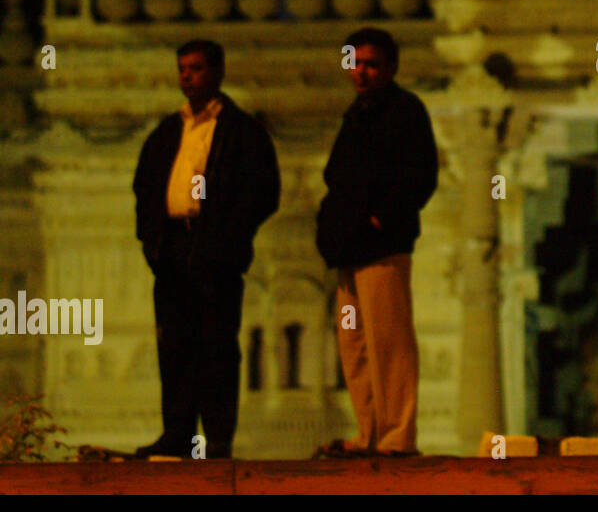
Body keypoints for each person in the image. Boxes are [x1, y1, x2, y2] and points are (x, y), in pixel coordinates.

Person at [132, 39, 280, 459]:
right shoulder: (168, 131)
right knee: (174, 345)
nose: (187, 76)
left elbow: (263, 191)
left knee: (216, 345)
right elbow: (145, 187)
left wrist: (226, 238)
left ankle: (217, 437)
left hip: (216, 251)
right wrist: (153, 241)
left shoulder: (241, 131)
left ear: (217, 72)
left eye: (195, 68)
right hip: (172, 248)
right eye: (182, 68)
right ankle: (177, 432)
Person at [315, 28, 437, 458]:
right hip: (348, 250)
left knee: (389, 340)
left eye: (370, 64)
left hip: (381, 247)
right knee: (355, 343)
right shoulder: (357, 113)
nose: (360, 71)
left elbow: (421, 174)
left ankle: (397, 436)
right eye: (355, 63)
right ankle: (368, 432)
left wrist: (381, 217)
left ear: (390, 68)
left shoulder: (404, 110)